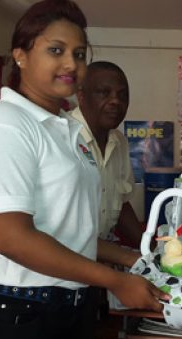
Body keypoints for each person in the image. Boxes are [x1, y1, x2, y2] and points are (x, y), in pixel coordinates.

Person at [0, 1, 168, 339]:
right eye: (56, 50)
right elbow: (13, 238)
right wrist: (115, 280)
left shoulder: (67, 130)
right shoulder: (5, 126)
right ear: (21, 55)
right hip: (9, 315)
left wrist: (132, 257)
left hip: (66, 308)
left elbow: (67, 230)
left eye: (79, 53)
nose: (71, 63)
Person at [72, 61, 143, 246]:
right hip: (61, 260)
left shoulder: (119, 142)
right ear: (81, 96)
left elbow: (121, 204)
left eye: (122, 95)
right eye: (104, 93)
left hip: (100, 253)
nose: (115, 101)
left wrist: (149, 250)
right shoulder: (63, 137)